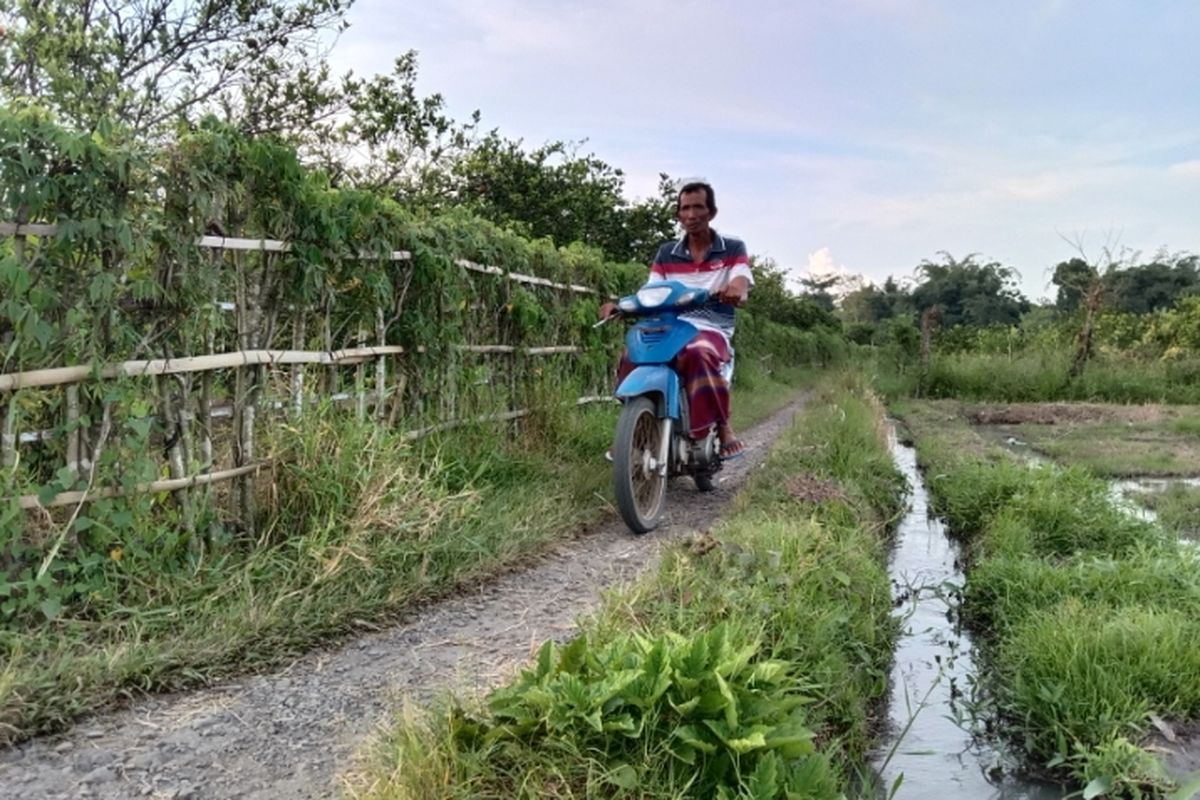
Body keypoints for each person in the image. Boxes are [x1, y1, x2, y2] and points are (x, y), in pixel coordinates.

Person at [600, 180, 753, 459]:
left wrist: (735, 291)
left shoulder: (731, 248)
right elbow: (651, 291)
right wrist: (621, 306)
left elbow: (741, 281)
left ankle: (722, 426)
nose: (691, 215)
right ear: (678, 214)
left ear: (711, 212)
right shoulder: (666, 253)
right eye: (685, 208)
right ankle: (633, 428)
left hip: (710, 327)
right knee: (632, 353)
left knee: (698, 353)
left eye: (698, 207)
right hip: (669, 323)